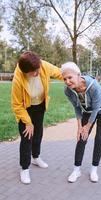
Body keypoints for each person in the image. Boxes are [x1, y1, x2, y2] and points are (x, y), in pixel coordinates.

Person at [11, 51, 62, 184]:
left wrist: (72, 78)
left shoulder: (42, 66)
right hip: (25, 108)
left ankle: (36, 157)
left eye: (38, 69)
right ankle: (24, 168)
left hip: (39, 105)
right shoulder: (18, 78)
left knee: (38, 133)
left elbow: (59, 72)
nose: (38, 72)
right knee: (27, 136)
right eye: (34, 71)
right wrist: (27, 122)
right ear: (25, 72)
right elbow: (17, 105)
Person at [61, 62, 101, 183]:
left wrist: (88, 126)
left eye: (70, 77)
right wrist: (80, 127)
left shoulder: (93, 85)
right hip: (87, 111)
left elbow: (96, 107)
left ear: (78, 75)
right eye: (64, 79)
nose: (67, 81)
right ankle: (76, 170)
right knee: (81, 138)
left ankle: (94, 169)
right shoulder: (68, 91)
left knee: (99, 138)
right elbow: (77, 107)